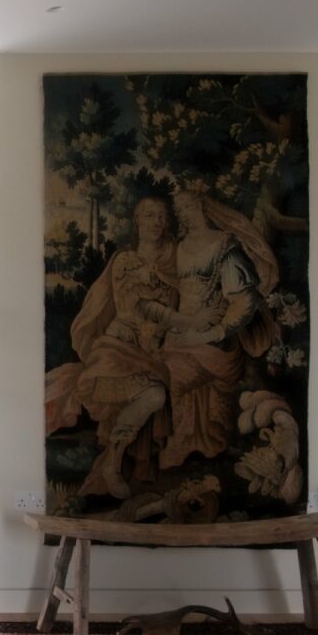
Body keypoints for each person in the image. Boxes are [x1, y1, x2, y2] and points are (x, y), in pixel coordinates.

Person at [47, 197, 217, 499]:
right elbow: (139, 308)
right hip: (120, 346)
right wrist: (192, 321)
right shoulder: (126, 262)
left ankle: (129, 460)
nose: (157, 222)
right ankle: (113, 462)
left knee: (172, 388)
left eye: (162, 217)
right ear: (137, 221)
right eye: (149, 216)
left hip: (152, 352)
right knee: (154, 395)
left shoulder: (172, 260)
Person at [159, 189, 280, 469]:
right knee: (161, 370)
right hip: (180, 334)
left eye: (187, 206)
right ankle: (183, 442)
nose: (182, 214)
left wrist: (212, 332)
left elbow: (243, 301)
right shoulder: (176, 247)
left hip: (216, 339)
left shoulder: (223, 246)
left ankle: (199, 447)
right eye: (178, 209)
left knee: (177, 375)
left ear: (201, 204)